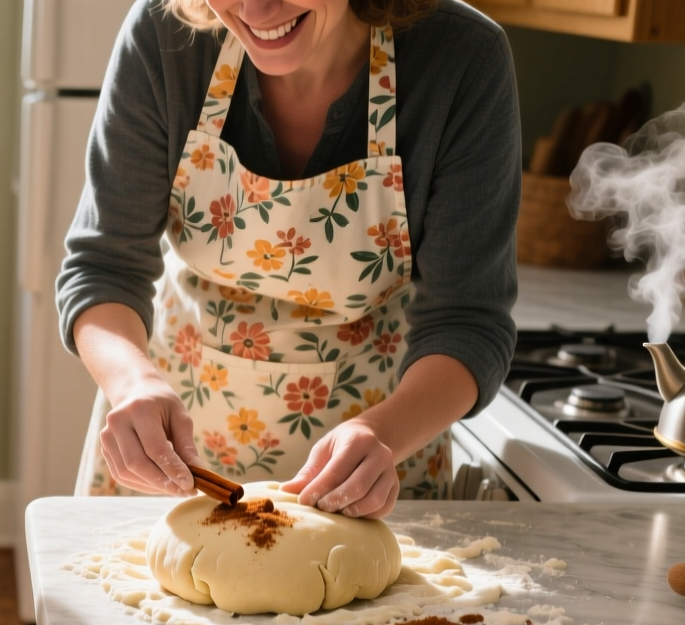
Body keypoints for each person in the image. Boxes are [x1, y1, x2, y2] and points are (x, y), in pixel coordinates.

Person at [58, 0, 519, 517]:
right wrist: (132, 383)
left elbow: (466, 323)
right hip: (172, 472)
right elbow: (104, 268)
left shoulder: (462, 59)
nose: (255, 8)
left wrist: (382, 433)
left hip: (373, 478)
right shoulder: (164, 35)